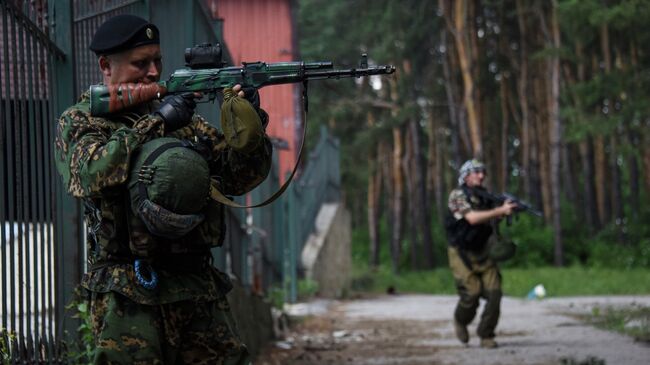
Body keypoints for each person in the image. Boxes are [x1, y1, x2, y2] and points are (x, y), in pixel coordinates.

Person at [54, 14, 272, 364]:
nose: (154, 72)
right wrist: (158, 122)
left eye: (157, 60)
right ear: (106, 66)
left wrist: (250, 126)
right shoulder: (82, 120)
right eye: (141, 63)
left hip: (195, 287)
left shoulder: (185, 120)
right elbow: (89, 173)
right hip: (127, 292)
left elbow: (238, 179)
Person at [445, 159, 517, 349]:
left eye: (483, 172)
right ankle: (460, 320)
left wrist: (503, 212)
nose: (481, 175)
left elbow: (490, 221)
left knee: (495, 292)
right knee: (472, 293)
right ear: (466, 175)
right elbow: (472, 219)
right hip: (461, 252)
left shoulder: (486, 197)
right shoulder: (457, 196)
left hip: (484, 251)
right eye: (476, 172)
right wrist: (499, 210)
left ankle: (486, 334)